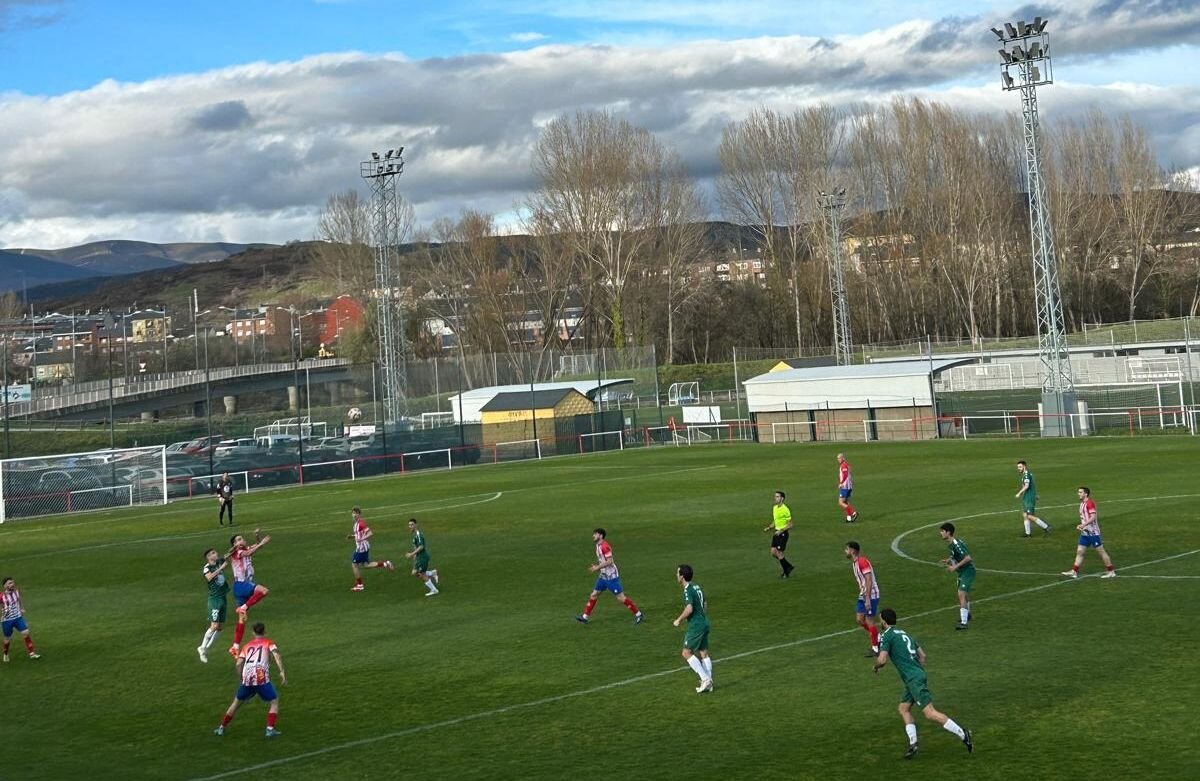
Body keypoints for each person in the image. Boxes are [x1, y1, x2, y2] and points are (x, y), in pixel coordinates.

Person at [873, 608, 973, 759]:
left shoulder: (887, 636)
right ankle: (913, 744)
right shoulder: (904, 633)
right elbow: (922, 655)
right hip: (915, 676)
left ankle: (962, 733)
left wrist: (876, 666)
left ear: (884, 621)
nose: (880, 621)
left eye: (880, 619)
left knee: (929, 713)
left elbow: (882, 660)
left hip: (913, 679)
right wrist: (914, 669)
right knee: (903, 708)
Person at [213, 622, 287, 738]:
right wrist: (282, 671)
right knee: (274, 701)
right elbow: (277, 655)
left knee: (236, 703)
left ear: (253, 633)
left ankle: (221, 727)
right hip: (261, 677)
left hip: (247, 678)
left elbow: (238, 664)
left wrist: (241, 678)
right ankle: (269, 729)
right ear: (264, 632)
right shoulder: (268, 643)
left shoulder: (247, 646)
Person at [574, 528, 644, 625]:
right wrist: (598, 567)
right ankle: (585, 617)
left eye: (595, 534)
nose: (593, 536)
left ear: (601, 536)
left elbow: (610, 561)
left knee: (621, 598)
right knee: (594, 594)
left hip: (611, 577)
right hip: (603, 576)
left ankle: (639, 614)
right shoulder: (598, 545)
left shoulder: (605, 546)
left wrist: (597, 567)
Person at [228, 529, 272, 658]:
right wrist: (260, 543)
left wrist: (257, 537)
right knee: (264, 591)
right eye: (238, 539)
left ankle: (235, 646)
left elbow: (257, 547)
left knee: (241, 619)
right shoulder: (238, 552)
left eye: (241, 538)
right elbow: (249, 552)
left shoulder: (244, 548)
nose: (241, 540)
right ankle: (244, 607)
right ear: (235, 545)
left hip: (239, 588)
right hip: (242, 585)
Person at [672, 564, 712, 694]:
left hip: (697, 625)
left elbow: (689, 609)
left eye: (678, 573)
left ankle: (705, 679)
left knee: (686, 652)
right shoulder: (697, 586)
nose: (676, 575)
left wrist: (679, 620)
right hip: (704, 621)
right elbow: (704, 604)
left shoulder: (688, 589)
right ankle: (709, 682)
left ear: (682, 576)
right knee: (703, 652)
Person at [1062, 487, 1117, 579]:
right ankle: (1074, 571)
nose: (1078, 494)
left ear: (1086, 494)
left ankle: (1111, 571)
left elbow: (1093, 517)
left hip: (1093, 533)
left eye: (1080, 492)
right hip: (1085, 533)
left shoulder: (1089, 503)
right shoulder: (1082, 504)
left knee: (1101, 552)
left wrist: (1083, 525)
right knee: (1080, 551)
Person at [347, 506, 395, 591]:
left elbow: (370, 533)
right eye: (353, 513)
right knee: (366, 565)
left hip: (361, 548)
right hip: (363, 547)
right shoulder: (356, 524)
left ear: (359, 514)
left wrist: (362, 539)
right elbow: (359, 534)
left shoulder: (361, 523)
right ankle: (385, 563)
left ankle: (360, 585)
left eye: (356, 513)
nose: (354, 515)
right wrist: (353, 536)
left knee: (354, 565)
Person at [844, 542, 880, 656]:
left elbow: (869, 579)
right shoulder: (855, 563)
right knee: (860, 619)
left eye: (847, 549)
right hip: (863, 595)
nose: (845, 551)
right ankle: (878, 637)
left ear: (853, 551)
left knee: (870, 621)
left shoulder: (862, 562)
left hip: (871, 595)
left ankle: (875, 648)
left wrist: (868, 599)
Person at [938, 522, 974, 630]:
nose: (940, 533)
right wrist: (948, 560)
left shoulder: (956, 543)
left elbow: (968, 558)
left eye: (942, 531)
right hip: (962, 572)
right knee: (964, 594)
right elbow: (955, 554)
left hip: (968, 571)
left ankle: (964, 623)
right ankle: (968, 615)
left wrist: (954, 567)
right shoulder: (952, 544)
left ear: (948, 532)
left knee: (961, 594)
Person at [198, 548, 230, 663]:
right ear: (208, 557)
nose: (216, 554)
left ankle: (205, 649)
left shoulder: (219, 562)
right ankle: (202, 648)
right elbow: (209, 578)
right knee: (214, 625)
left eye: (216, 552)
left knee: (220, 627)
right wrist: (221, 568)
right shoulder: (207, 567)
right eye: (213, 553)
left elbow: (227, 557)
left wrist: (233, 550)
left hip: (223, 598)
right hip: (215, 599)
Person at [1, 577, 41, 662]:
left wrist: (22, 608)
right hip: (7, 620)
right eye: (9, 583)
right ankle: (6, 654)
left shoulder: (16, 591)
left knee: (25, 632)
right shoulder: (1, 596)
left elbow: (19, 599)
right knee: (7, 640)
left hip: (18, 617)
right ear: (5, 586)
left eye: (12, 583)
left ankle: (32, 653)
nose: (12, 584)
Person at [763, 490, 795, 578]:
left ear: (782, 498)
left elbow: (790, 524)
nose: (775, 498)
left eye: (777, 496)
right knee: (773, 552)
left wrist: (781, 531)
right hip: (776, 533)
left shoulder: (785, 509)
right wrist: (769, 527)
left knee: (779, 553)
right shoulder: (774, 508)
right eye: (775, 496)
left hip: (783, 534)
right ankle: (788, 566)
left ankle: (786, 571)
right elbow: (776, 520)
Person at [1016, 460, 1051, 537]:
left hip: (1029, 499)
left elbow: (1027, 486)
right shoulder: (1027, 474)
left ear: (1024, 466)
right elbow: (1032, 486)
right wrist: (1035, 495)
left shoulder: (1026, 475)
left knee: (1029, 516)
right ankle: (1028, 534)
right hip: (1027, 497)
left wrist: (1019, 493)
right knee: (1025, 515)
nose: (1018, 468)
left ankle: (1046, 527)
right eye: (1018, 467)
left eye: (1020, 467)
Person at [405, 518, 439, 597]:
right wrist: (414, 556)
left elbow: (421, 546)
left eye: (412, 525)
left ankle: (434, 590)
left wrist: (411, 554)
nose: (410, 526)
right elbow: (415, 546)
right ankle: (433, 573)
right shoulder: (414, 535)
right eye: (409, 525)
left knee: (420, 574)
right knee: (414, 572)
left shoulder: (418, 534)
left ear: (416, 525)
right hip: (419, 557)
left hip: (423, 557)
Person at [837, 453, 859, 523]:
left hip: (845, 486)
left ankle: (853, 513)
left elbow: (845, 474)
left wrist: (841, 483)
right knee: (846, 501)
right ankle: (849, 518)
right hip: (849, 486)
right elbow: (850, 472)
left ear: (843, 458)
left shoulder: (843, 465)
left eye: (839, 458)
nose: (838, 460)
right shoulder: (846, 464)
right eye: (837, 458)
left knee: (840, 502)